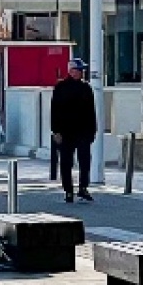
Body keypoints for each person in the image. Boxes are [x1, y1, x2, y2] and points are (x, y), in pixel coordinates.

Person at [51, 57, 98, 203]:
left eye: (82, 70)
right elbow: (54, 111)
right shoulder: (60, 87)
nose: (81, 73)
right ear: (71, 71)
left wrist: (92, 131)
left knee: (85, 160)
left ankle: (83, 187)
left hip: (83, 131)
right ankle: (68, 191)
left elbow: (91, 111)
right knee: (66, 162)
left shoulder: (86, 87)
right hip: (65, 132)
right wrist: (56, 131)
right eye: (78, 70)